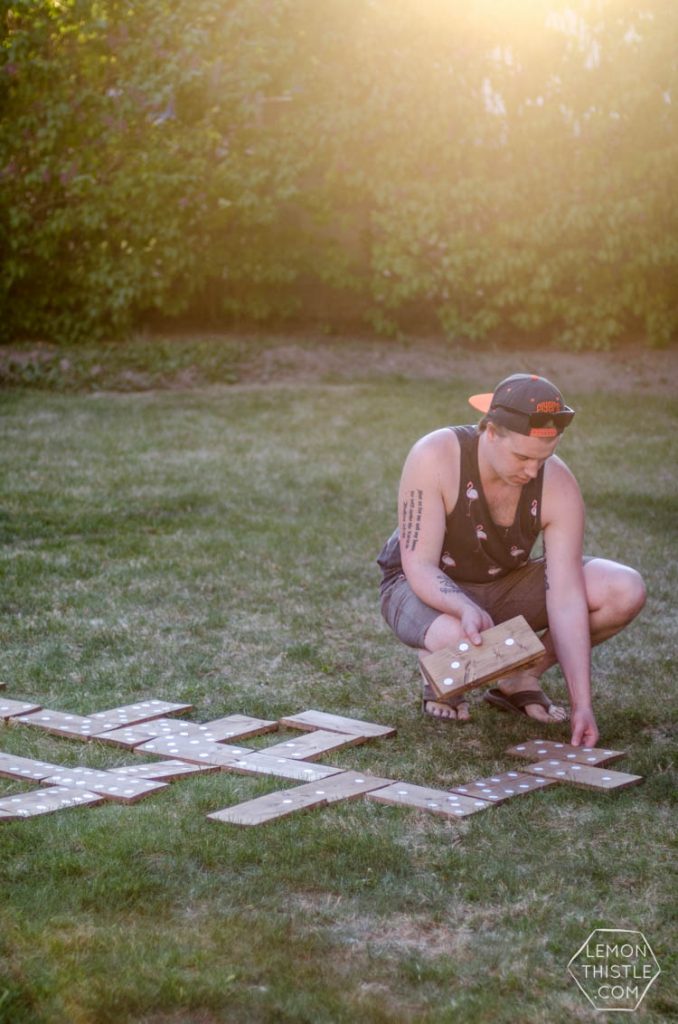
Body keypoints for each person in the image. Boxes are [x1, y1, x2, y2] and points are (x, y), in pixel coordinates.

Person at [377, 373, 646, 747]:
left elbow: (565, 597)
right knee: (463, 640)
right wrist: (462, 607)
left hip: (502, 586)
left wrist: (582, 704)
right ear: (490, 432)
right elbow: (419, 565)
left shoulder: (557, 483)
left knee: (624, 589)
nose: (532, 471)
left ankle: (520, 676)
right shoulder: (435, 455)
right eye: (522, 456)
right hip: (419, 586)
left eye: (543, 458)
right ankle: (440, 668)